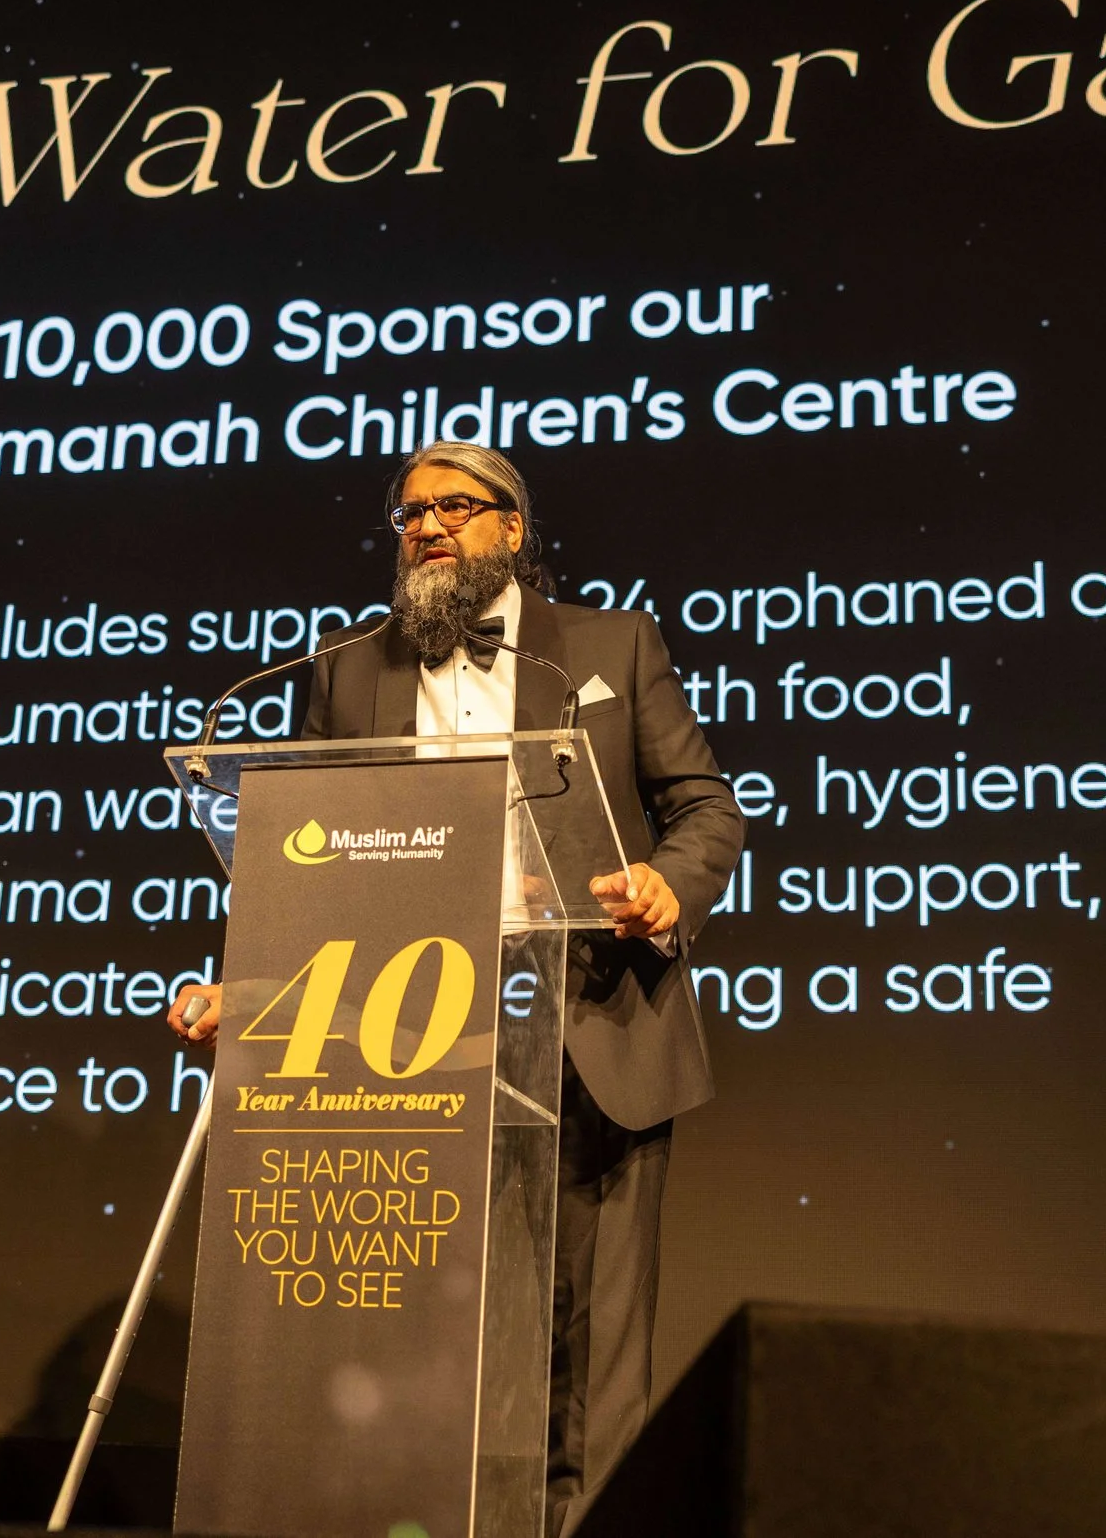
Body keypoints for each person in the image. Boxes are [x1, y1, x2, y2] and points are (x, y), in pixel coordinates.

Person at [168, 442, 743, 1534]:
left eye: (453, 506)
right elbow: (316, 857)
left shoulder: (613, 643)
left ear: (513, 529)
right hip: (414, 1042)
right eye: (408, 512)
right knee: (426, 1340)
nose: (425, 524)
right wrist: (251, 989)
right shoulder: (352, 667)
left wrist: (664, 889)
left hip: (593, 1026)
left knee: (592, 1350)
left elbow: (707, 808)